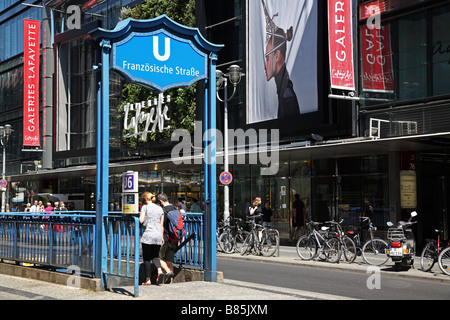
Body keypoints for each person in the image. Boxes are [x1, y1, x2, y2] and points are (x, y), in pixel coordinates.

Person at [263, 1, 300, 119]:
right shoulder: (284, 90)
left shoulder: (287, 96)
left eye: (267, 58)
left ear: (277, 55)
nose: (265, 65)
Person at [139, 192, 164, 285]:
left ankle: (148, 280)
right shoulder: (160, 208)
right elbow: (161, 224)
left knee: (146, 258)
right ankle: (160, 270)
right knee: (155, 256)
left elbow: (141, 220)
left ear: (145, 199)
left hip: (148, 234)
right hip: (158, 235)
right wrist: (162, 237)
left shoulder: (145, 207)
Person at [157, 193, 177, 284]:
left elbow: (161, 224)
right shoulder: (176, 208)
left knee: (157, 257)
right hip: (175, 237)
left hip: (165, 237)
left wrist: (161, 237)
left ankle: (168, 273)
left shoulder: (163, 210)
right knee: (169, 260)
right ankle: (170, 282)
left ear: (161, 201)